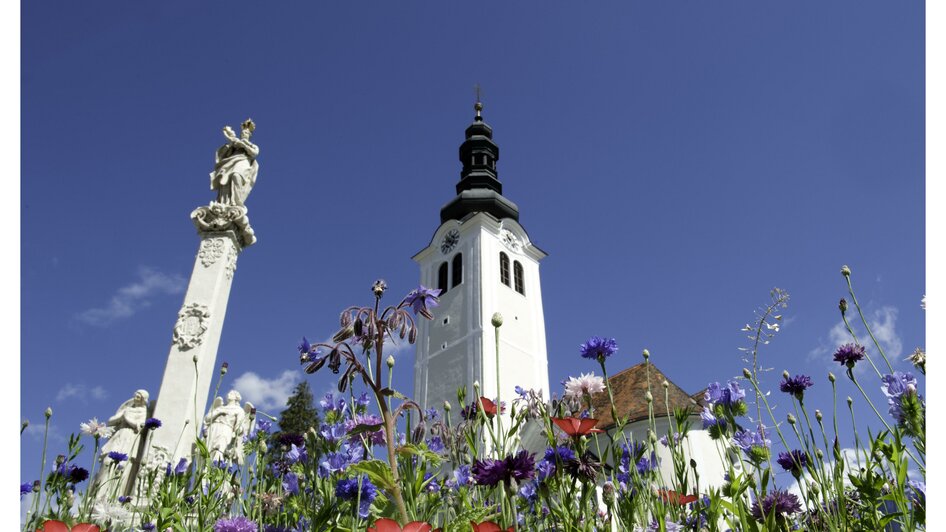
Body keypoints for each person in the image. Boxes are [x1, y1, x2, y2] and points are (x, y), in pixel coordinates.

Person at [210, 119, 259, 207]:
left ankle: (237, 200)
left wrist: (244, 145)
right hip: (230, 163)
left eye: (246, 133)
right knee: (225, 181)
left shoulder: (253, 145)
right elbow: (223, 154)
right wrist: (230, 143)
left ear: (250, 136)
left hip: (243, 162)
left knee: (236, 175)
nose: (244, 134)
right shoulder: (235, 144)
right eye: (243, 133)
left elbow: (254, 153)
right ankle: (226, 202)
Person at [204, 390, 253, 465]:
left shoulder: (239, 410)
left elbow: (240, 425)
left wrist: (238, 431)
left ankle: (215, 468)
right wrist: (219, 412)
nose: (229, 394)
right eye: (229, 393)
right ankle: (206, 469)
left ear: (236, 397)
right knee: (207, 451)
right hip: (213, 429)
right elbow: (207, 418)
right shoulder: (220, 407)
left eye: (231, 393)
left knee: (219, 450)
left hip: (226, 430)